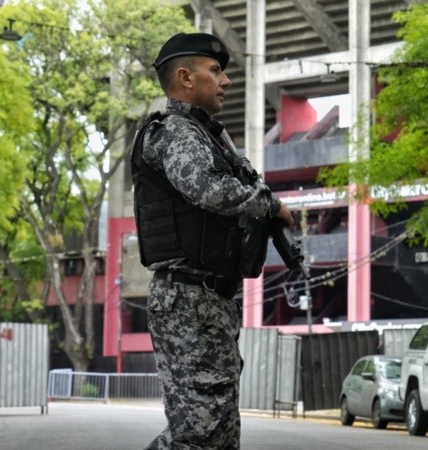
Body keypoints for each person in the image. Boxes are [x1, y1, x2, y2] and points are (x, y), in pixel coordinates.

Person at [130, 32, 293, 450]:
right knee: (200, 432)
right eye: (215, 71)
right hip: (189, 297)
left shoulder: (208, 135)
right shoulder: (178, 132)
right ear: (185, 78)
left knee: (215, 428)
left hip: (208, 299)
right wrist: (271, 207)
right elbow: (208, 189)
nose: (226, 81)